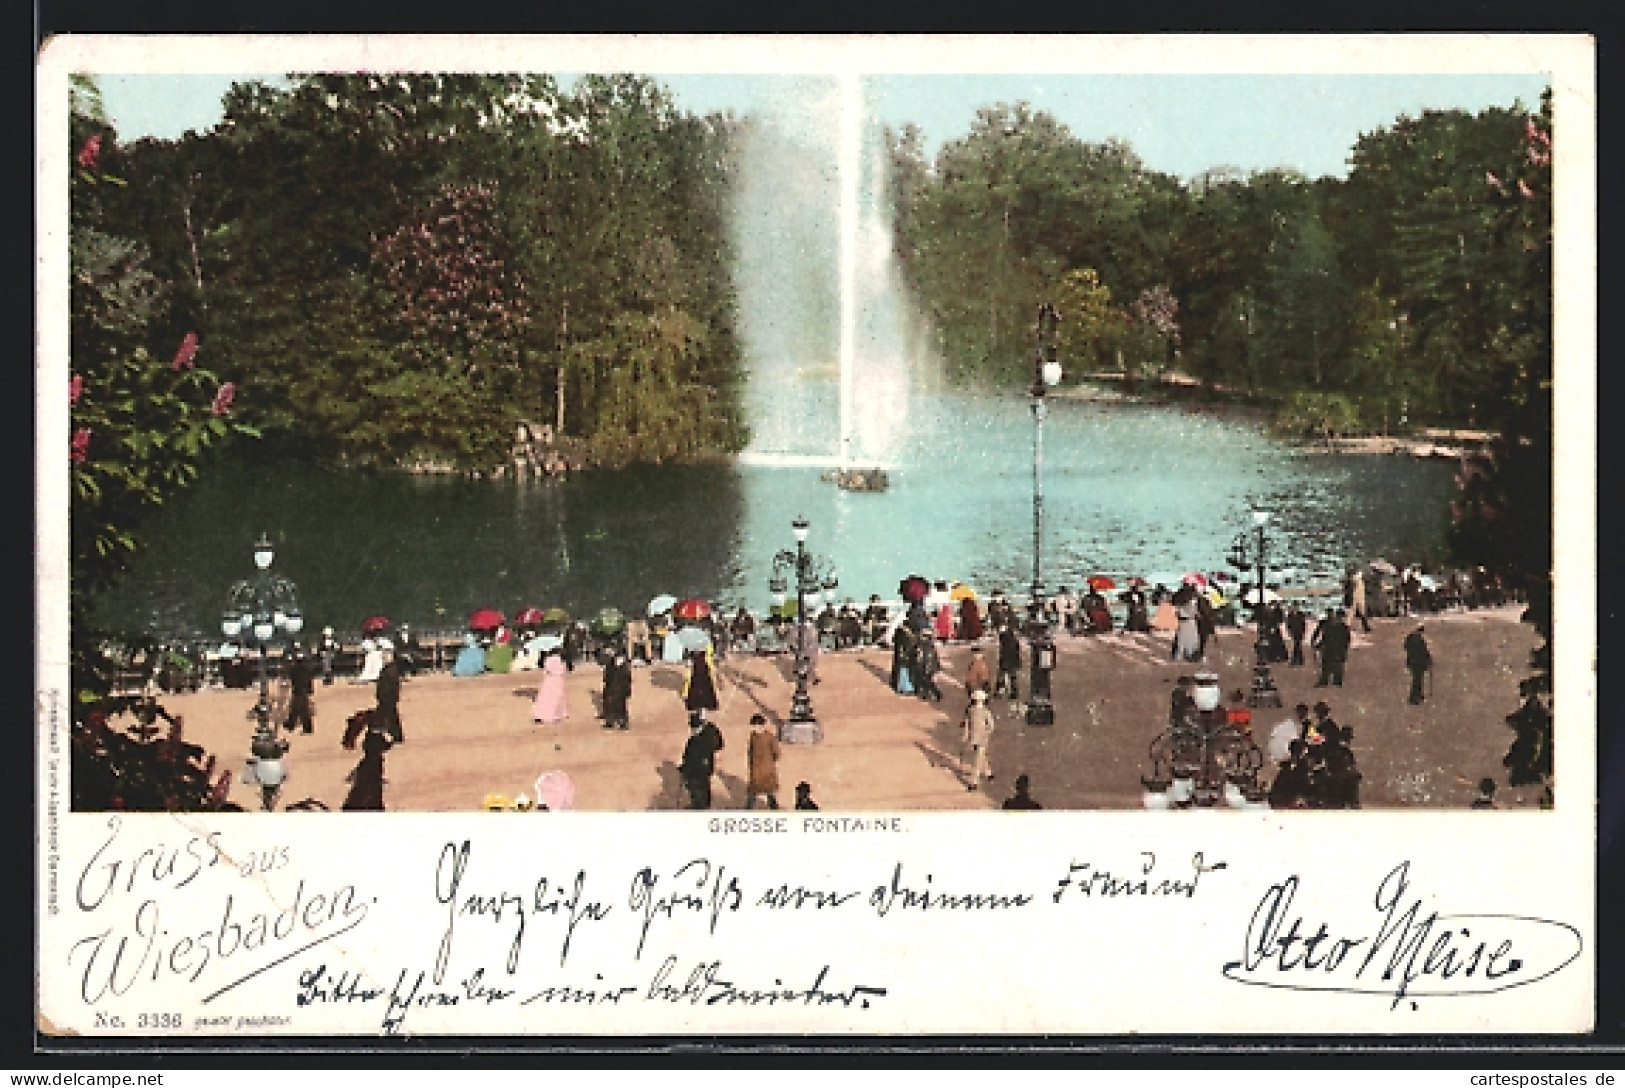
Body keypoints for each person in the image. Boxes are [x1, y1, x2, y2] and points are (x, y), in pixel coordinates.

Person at [340, 722, 393, 811]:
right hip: (370, 780)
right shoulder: (374, 759)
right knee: (367, 791)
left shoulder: (370, 758)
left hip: (369, 777)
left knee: (363, 791)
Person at [679, 712, 724, 810]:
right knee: (702, 789)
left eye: (694, 728)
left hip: (698, 770)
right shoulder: (699, 738)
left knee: (698, 790)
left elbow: (692, 757)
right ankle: (701, 805)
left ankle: (699, 806)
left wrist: (685, 768)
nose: (693, 730)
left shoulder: (702, 739)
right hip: (702, 769)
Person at [745, 713, 781, 810]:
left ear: (762, 726)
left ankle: (774, 809)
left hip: (767, 770)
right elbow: (750, 751)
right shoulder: (753, 737)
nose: (755, 728)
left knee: (769, 792)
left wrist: (769, 763)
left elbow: (776, 753)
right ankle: (748, 810)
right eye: (754, 726)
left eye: (757, 726)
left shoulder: (769, 737)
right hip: (756, 770)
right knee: (752, 793)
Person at [961, 689, 995, 790]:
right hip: (979, 738)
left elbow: (967, 724)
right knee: (980, 756)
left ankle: (974, 781)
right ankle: (988, 773)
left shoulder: (973, 711)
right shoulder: (982, 711)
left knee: (977, 760)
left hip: (977, 738)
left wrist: (966, 735)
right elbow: (991, 726)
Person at [284, 648, 317, 735]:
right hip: (303, 690)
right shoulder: (306, 669)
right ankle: (292, 725)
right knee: (298, 708)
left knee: (301, 709)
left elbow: (291, 675)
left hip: (299, 691)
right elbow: (309, 680)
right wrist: (310, 690)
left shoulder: (295, 669)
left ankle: (299, 727)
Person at [1314, 609, 1351, 687]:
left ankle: (1337, 681)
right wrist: (1319, 645)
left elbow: (1346, 641)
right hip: (1328, 649)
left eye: (1340, 617)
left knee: (1337, 666)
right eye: (1338, 617)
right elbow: (1325, 638)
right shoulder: (1331, 627)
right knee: (1326, 665)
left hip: (1337, 650)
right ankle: (1324, 681)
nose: (1339, 619)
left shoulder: (1344, 628)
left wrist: (1343, 650)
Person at [532, 649, 569, 724]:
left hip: (549, 679)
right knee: (557, 697)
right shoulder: (561, 660)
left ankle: (542, 715)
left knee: (546, 697)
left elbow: (546, 670)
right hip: (558, 679)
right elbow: (563, 670)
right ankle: (557, 714)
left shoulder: (548, 659)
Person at [374, 648, 404, 743]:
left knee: (386, 717)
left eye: (385, 656)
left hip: (388, 697)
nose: (383, 658)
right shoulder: (388, 669)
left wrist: (392, 696)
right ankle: (396, 736)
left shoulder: (391, 670)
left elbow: (393, 685)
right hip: (386, 697)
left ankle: (393, 736)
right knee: (391, 717)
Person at [682, 647, 720, 718]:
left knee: (704, 685)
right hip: (697, 666)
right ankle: (698, 706)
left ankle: (703, 708)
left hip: (703, 665)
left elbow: (709, 653)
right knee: (697, 685)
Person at [601, 649, 633, 730]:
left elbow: (628, 680)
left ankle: (622, 722)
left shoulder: (625, 667)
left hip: (621, 689)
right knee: (611, 705)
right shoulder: (610, 664)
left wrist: (628, 691)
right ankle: (611, 721)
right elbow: (606, 677)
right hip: (612, 688)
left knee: (621, 706)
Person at [1404, 624, 1432, 704]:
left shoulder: (1410, 637)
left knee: (1417, 678)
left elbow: (1405, 647)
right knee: (1417, 679)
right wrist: (1428, 659)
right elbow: (1424, 651)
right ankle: (1414, 697)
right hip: (1418, 661)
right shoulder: (1419, 640)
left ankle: (1418, 695)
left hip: (1412, 661)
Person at [915, 631, 944, 702]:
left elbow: (922, 657)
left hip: (927, 665)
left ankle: (936, 694)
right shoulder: (931, 645)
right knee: (927, 680)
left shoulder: (922, 645)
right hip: (931, 666)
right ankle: (928, 694)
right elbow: (935, 657)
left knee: (927, 681)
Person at [995, 624, 1022, 701]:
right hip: (1013, 661)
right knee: (1012, 677)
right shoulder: (1014, 641)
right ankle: (1013, 693)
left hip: (1006, 661)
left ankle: (1000, 692)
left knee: (1001, 676)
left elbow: (1004, 653)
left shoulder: (1005, 643)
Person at [890, 622, 917, 695]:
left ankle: (901, 687)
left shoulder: (899, 634)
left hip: (900, 657)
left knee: (901, 672)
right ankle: (906, 688)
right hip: (906, 657)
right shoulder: (909, 636)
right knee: (905, 673)